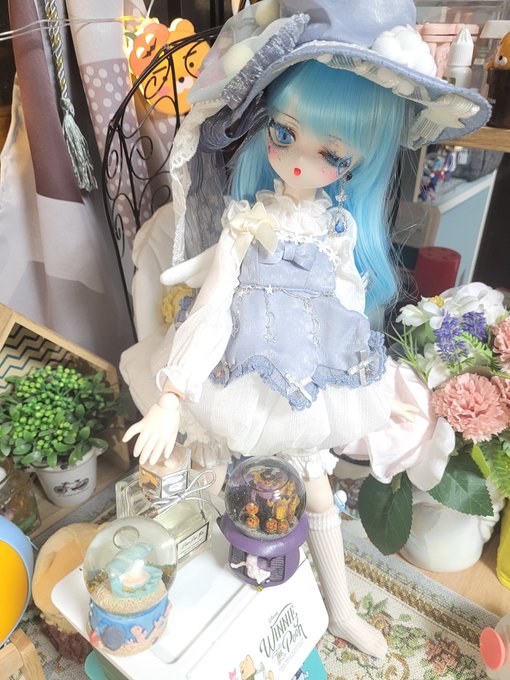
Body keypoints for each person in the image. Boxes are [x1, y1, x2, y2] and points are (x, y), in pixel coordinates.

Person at [122, 0, 490, 659]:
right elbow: (211, 309)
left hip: (301, 393)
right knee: (215, 486)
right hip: (234, 380)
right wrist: (173, 395)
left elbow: (342, 321)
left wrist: (376, 385)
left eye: (332, 154)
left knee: (315, 491)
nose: (298, 161)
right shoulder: (244, 224)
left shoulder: (337, 233)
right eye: (284, 132)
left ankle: (339, 609)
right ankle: (200, 607)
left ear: (356, 165)